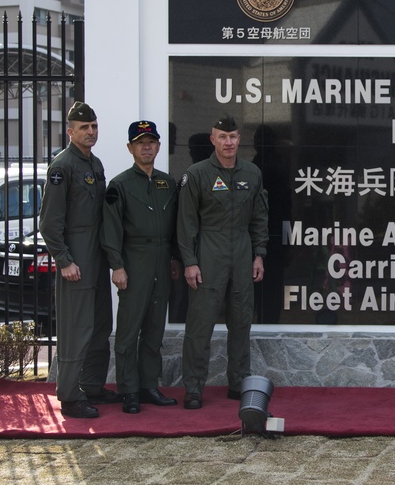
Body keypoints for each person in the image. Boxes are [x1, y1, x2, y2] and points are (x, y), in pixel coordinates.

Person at [178, 116, 269, 410]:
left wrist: (258, 254)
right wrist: (190, 262)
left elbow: (258, 217)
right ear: (212, 140)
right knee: (200, 325)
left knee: (241, 322)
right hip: (209, 253)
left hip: (242, 253)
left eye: (232, 136)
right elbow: (186, 223)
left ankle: (238, 382)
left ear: (239, 138)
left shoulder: (252, 173)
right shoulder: (197, 174)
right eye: (222, 137)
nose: (228, 142)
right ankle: (193, 388)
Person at [39, 101, 119, 418]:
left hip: (97, 252)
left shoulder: (94, 163)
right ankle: (70, 396)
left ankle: (93, 386)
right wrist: (64, 259)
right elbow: (49, 223)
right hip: (77, 255)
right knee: (77, 327)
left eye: (94, 126)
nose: (91, 132)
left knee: (101, 323)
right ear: (70, 131)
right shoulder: (63, 166)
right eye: (84, 127)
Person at [101, 121, 180, 414]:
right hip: (134, 260)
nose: (146, 147)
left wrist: (173, 259)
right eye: (140, 142)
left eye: (151, 142)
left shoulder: (167, 182)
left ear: (158, 146)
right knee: (128, 330)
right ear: (130, 148)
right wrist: (117, 266)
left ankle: (149, 386)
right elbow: (111, 230)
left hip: (161, 260)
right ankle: (128, 389)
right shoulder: (119, 185)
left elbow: (174, 226)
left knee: (154, 329)